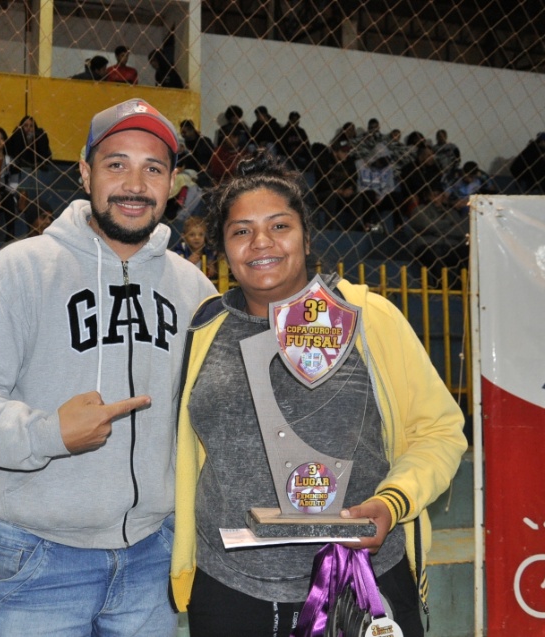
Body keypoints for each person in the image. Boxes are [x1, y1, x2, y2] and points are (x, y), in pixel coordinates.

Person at [0, 98, 216, 636]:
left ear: (173, 183)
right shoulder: (22, 268)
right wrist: (50, 433)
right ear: (86, 172)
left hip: (154, 558)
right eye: (116, 164)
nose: (134, 183)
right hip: (42, 560)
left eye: (152, 168)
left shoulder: (193, 289)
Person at [169, 153, 467, 637]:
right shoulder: (206, 327)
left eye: (279, 225)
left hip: (360, 579)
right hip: (231, 590)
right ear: (224, 248)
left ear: (307, 237)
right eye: (241, 231)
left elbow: (439, 431)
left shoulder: (368, 318)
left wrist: (393, 502)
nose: (260, 242)